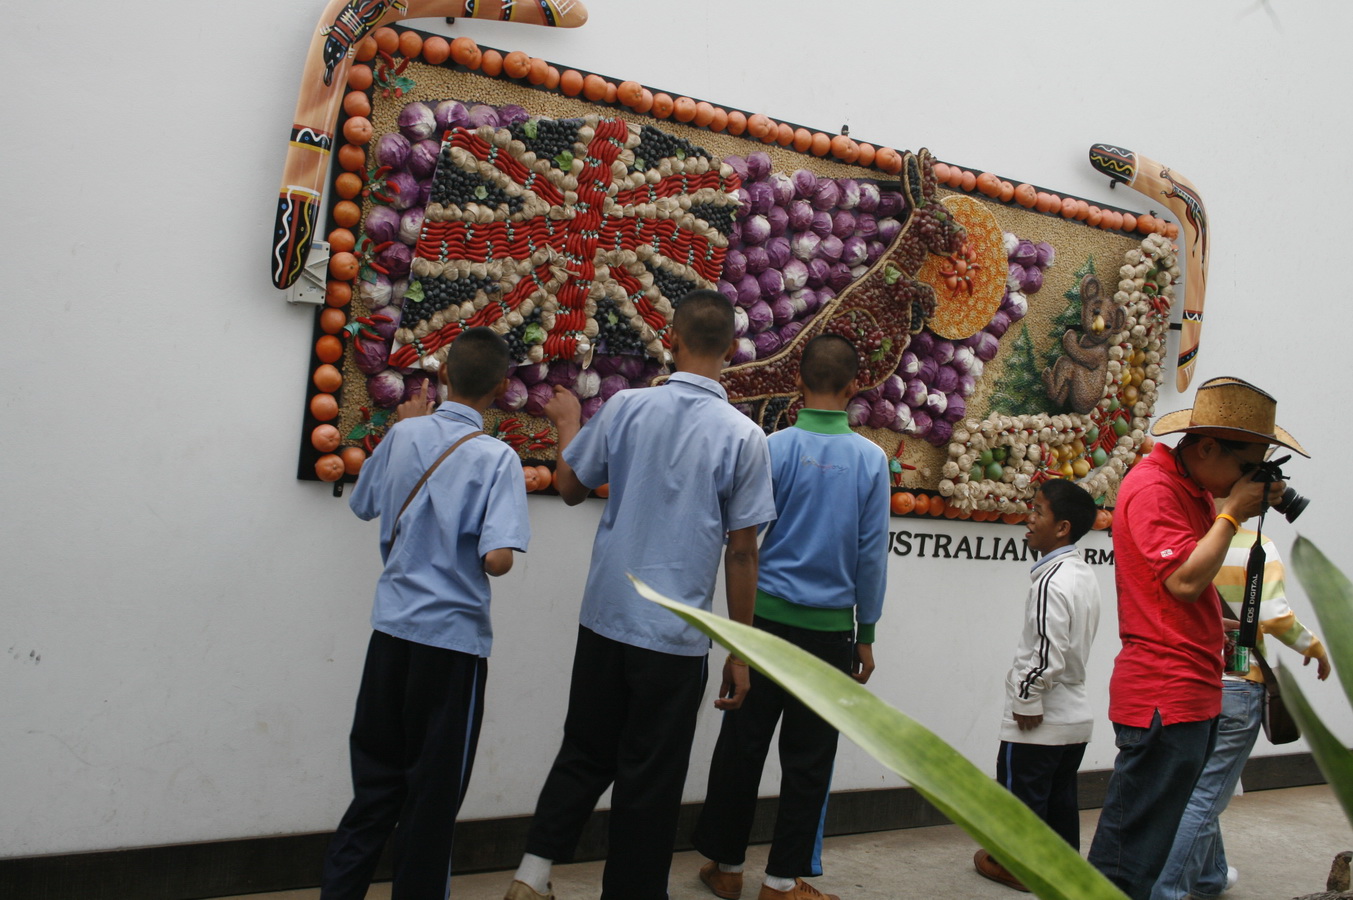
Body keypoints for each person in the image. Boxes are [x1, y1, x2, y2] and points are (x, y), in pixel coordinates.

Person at [505, 290, 778, 900]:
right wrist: (739, 652)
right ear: (732, 349)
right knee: (651, 781)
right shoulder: (745, 437)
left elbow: (571, 487)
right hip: (676, 637)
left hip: (606, 616)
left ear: (671, 340)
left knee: (584, 750)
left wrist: (568, 423)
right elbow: (742, 552)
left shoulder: (627, 407)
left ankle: (531, 876)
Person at [320, 327, 531, 900]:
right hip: (452, 646)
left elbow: (364, 504)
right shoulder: (498, 458)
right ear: (501, 389)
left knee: (374, 788)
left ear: (442, 376)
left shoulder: (404, 434)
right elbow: (497, 560)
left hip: (391, 633)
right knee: (431, 800)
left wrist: (401, 433)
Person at [1086, 376, 1307, 900]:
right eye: (1247, 465)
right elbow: (1183, 582)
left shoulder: (1192, 489)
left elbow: (1177, 592)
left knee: (1151, 844)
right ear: (1207, 447)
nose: (1249, 479)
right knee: (1127, 857)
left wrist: (1214, 623)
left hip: (1191, 690)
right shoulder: (1155, 488)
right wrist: (1232, 512)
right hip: (1165, 694)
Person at [691, 334, 891, 900]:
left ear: (797, 380)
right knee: (809, 758)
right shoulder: (872, 461)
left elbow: (744, 542)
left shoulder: (772, 447)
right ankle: (781, 883)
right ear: (855, 387)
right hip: (830, 634)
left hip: (764, 628)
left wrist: (739, 636)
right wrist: (866, 633)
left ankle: (727, 868)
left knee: (741, 747)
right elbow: (871, 555)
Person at [1150, 526, 1329, 900]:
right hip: (1238, 683)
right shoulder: (1256, 545)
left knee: (1196, 786)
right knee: (1205, 796)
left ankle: (1210, 876)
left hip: (1189, 682)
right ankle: (1166, 891)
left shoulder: (1188, 541)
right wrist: (1313, 646)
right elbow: (1274, 615)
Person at [973, 479, 1101, 893]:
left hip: (1041, 719)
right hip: (1074, 717)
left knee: (1020, 802)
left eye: (1038, 512)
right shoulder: (1082, 573)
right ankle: (1062, 870)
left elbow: (1047, 653)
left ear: (1062, 528)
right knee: (1060, 801)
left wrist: (1026, 699)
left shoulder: (1052, 581)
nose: (1029, 519)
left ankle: (1016, 867)